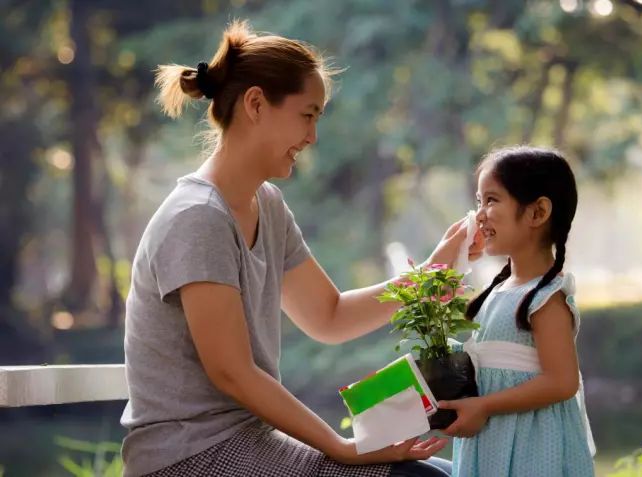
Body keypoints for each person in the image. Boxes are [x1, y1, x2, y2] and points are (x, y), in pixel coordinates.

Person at [120, 19, 480, 477]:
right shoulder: (198, 218)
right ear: (256, 104)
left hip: (248, 441)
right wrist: (343, 448)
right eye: (307, 115)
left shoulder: (266, 205)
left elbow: (329, 316)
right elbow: (232, 372)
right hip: (188, 458)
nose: (312, 137)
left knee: (446, 473)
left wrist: (428, 278)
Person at [437, 146, 596, 476]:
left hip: (533, 448)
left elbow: (562, 381)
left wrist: (484, 405)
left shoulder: (546, 298)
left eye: (492, 200)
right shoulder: (497, 291)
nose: (479, 214)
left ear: (537, 212)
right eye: (479, 202)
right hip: (491, 443)